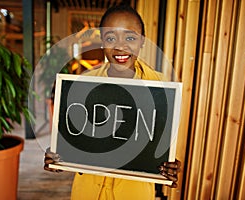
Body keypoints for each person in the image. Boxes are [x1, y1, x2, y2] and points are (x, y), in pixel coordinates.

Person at [44, 4, 181, 200]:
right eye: (110, 38)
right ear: (101, 41)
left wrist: (170, 166)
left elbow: (163, 149)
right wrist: (57, 157)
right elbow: (71, 142)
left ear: (142, 41)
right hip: (88, 192)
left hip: (134, 194)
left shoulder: (162, 90)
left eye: (130, 37)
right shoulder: (82, 86)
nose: (120, 46)